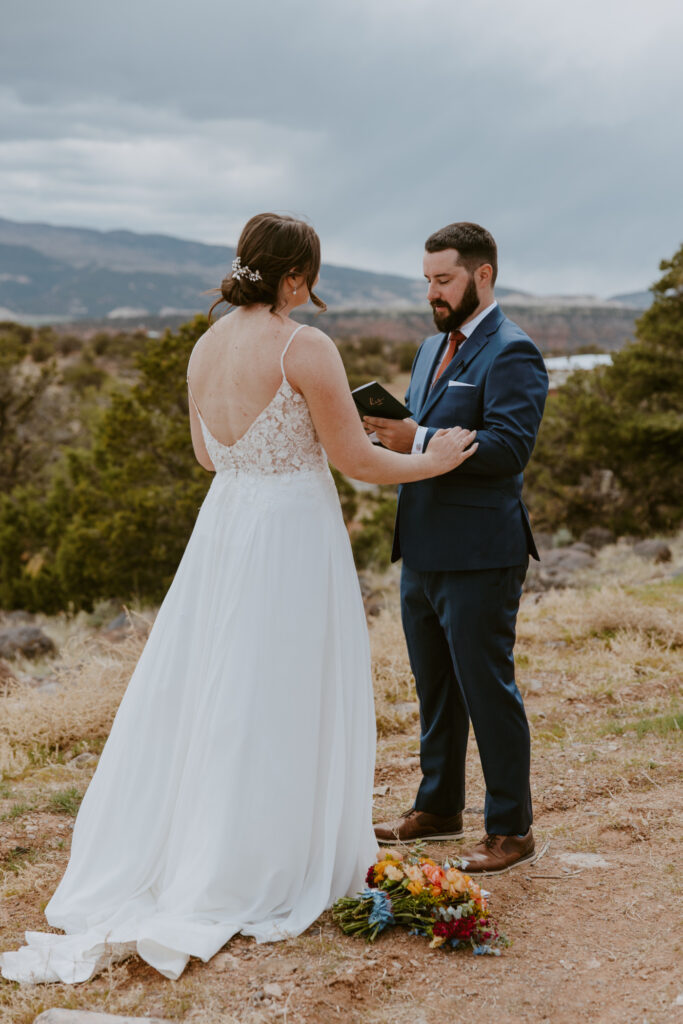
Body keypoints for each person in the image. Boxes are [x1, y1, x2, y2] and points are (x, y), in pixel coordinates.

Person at [0, 213, 477, 984]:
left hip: (225, 527)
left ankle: (208, 841)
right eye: (309, 278)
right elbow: (356, 461)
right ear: (295, 277)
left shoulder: (204, 345)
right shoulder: (303, 344)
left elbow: (204, 453)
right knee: (280, 688)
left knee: (215, 687)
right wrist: (439, 458)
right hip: (290, 531)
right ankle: (263, 857)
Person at [367, 222, 548, 873]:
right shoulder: (427, 349)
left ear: (482, 276)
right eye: (426, 282)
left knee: (485, 689)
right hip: (420, 549)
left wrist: (414, 438)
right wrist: (393, 437)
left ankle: (511, 828)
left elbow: (505, 450)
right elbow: (418, 436)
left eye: (442, 281)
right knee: (435, 691)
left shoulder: (512, 352)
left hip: (480, 553)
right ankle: (436, 808)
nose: (432, 294)